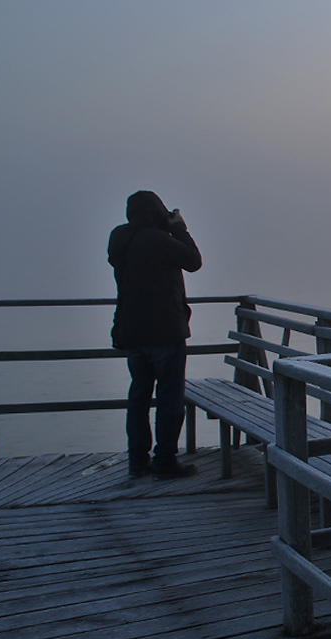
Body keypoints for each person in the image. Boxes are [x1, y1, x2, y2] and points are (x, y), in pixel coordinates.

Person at [108, 191, 202, 478]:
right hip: (165, 331)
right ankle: (165, 460)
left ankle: (137, 460)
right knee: (169, 398)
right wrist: (178, 228)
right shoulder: (160, 240)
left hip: (132, 330)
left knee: (138, 397)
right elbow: (193, 261)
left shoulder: (119, 239)